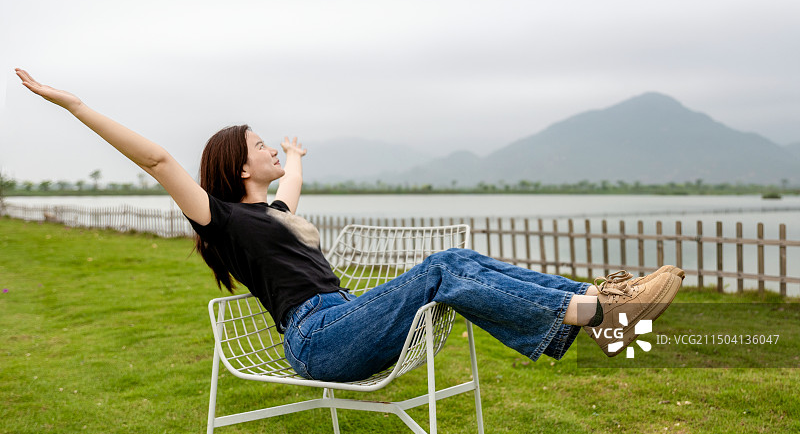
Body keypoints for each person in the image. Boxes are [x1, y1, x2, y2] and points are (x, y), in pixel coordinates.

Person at [15, 68, 684, 382]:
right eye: (261, 145)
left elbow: (292, 186)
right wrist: (75, 104)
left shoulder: (272, 214)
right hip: (318, 338)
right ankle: (593, 310)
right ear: (235, 163)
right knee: (447, 266)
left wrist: (298, 161)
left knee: (457, 258)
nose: (271, 150)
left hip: (344, 318)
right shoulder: (218, 217)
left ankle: (602, 302)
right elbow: (158, 157)